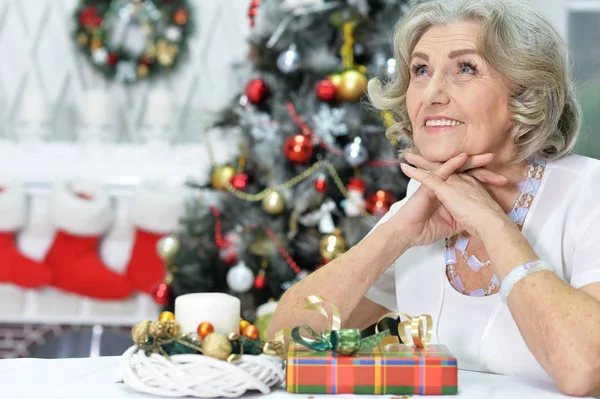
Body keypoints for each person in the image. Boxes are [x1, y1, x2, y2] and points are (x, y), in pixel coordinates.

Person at [267, 0, 600, 396]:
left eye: (465, 68)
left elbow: (584, 370)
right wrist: (396, 233)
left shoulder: (588, 193)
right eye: (421, 70)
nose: (431, 94)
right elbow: (286, 339)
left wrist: (490, 222)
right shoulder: (424, 202)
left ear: (524, 91)